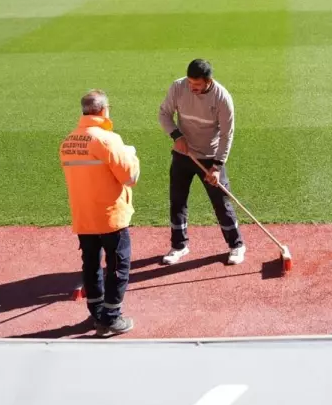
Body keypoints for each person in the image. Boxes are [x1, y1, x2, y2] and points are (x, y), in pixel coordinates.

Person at [60, 89, 140, 337]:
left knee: (91, 265)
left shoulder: (68, 141)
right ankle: (111, 318)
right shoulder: (108, 139)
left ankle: (96, 313)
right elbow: (130, 177)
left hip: (84, 215)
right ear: (104, 110)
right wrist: (131, 155)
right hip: (110, 216)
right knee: (118, 267)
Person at [157, 58, 245, 266]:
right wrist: (177, 136)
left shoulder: (222, 98)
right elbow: (164, 114)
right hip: (184, 154)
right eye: (190, 83)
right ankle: (179, 246)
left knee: (221, 203)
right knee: (177, 201)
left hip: (210, 157)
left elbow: (226, 135)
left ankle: (237, 245)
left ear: (208, 81)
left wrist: (216, 166)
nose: (192, 88)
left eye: (197, 85)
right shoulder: (178, 87)